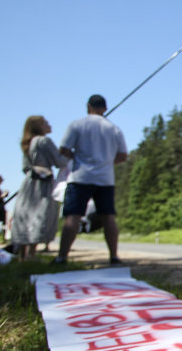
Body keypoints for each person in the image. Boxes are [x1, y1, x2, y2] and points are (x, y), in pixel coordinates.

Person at [55, 94, 128, 264]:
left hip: (80, 177)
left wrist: (76, 157)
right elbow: (123, 155)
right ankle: (114, 256)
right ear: (105, 109)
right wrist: (108, 162)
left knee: (72, 216)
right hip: (105, 178)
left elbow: (63, 149)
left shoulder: (77, 125)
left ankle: (62, 257)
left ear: (88, 106)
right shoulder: (113, 129)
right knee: (108, 216)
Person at [11, 116, 68, 260]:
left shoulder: (27, 143)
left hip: (29, 183)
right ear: (38, 126)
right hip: (42, 184)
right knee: (39, 214)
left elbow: (25, 167)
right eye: (45, 123)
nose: (49, 124)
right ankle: (31, 254)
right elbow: (60, 162)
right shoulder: (44, 141)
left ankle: (22, 256)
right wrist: (69, 153)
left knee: (26, 213)